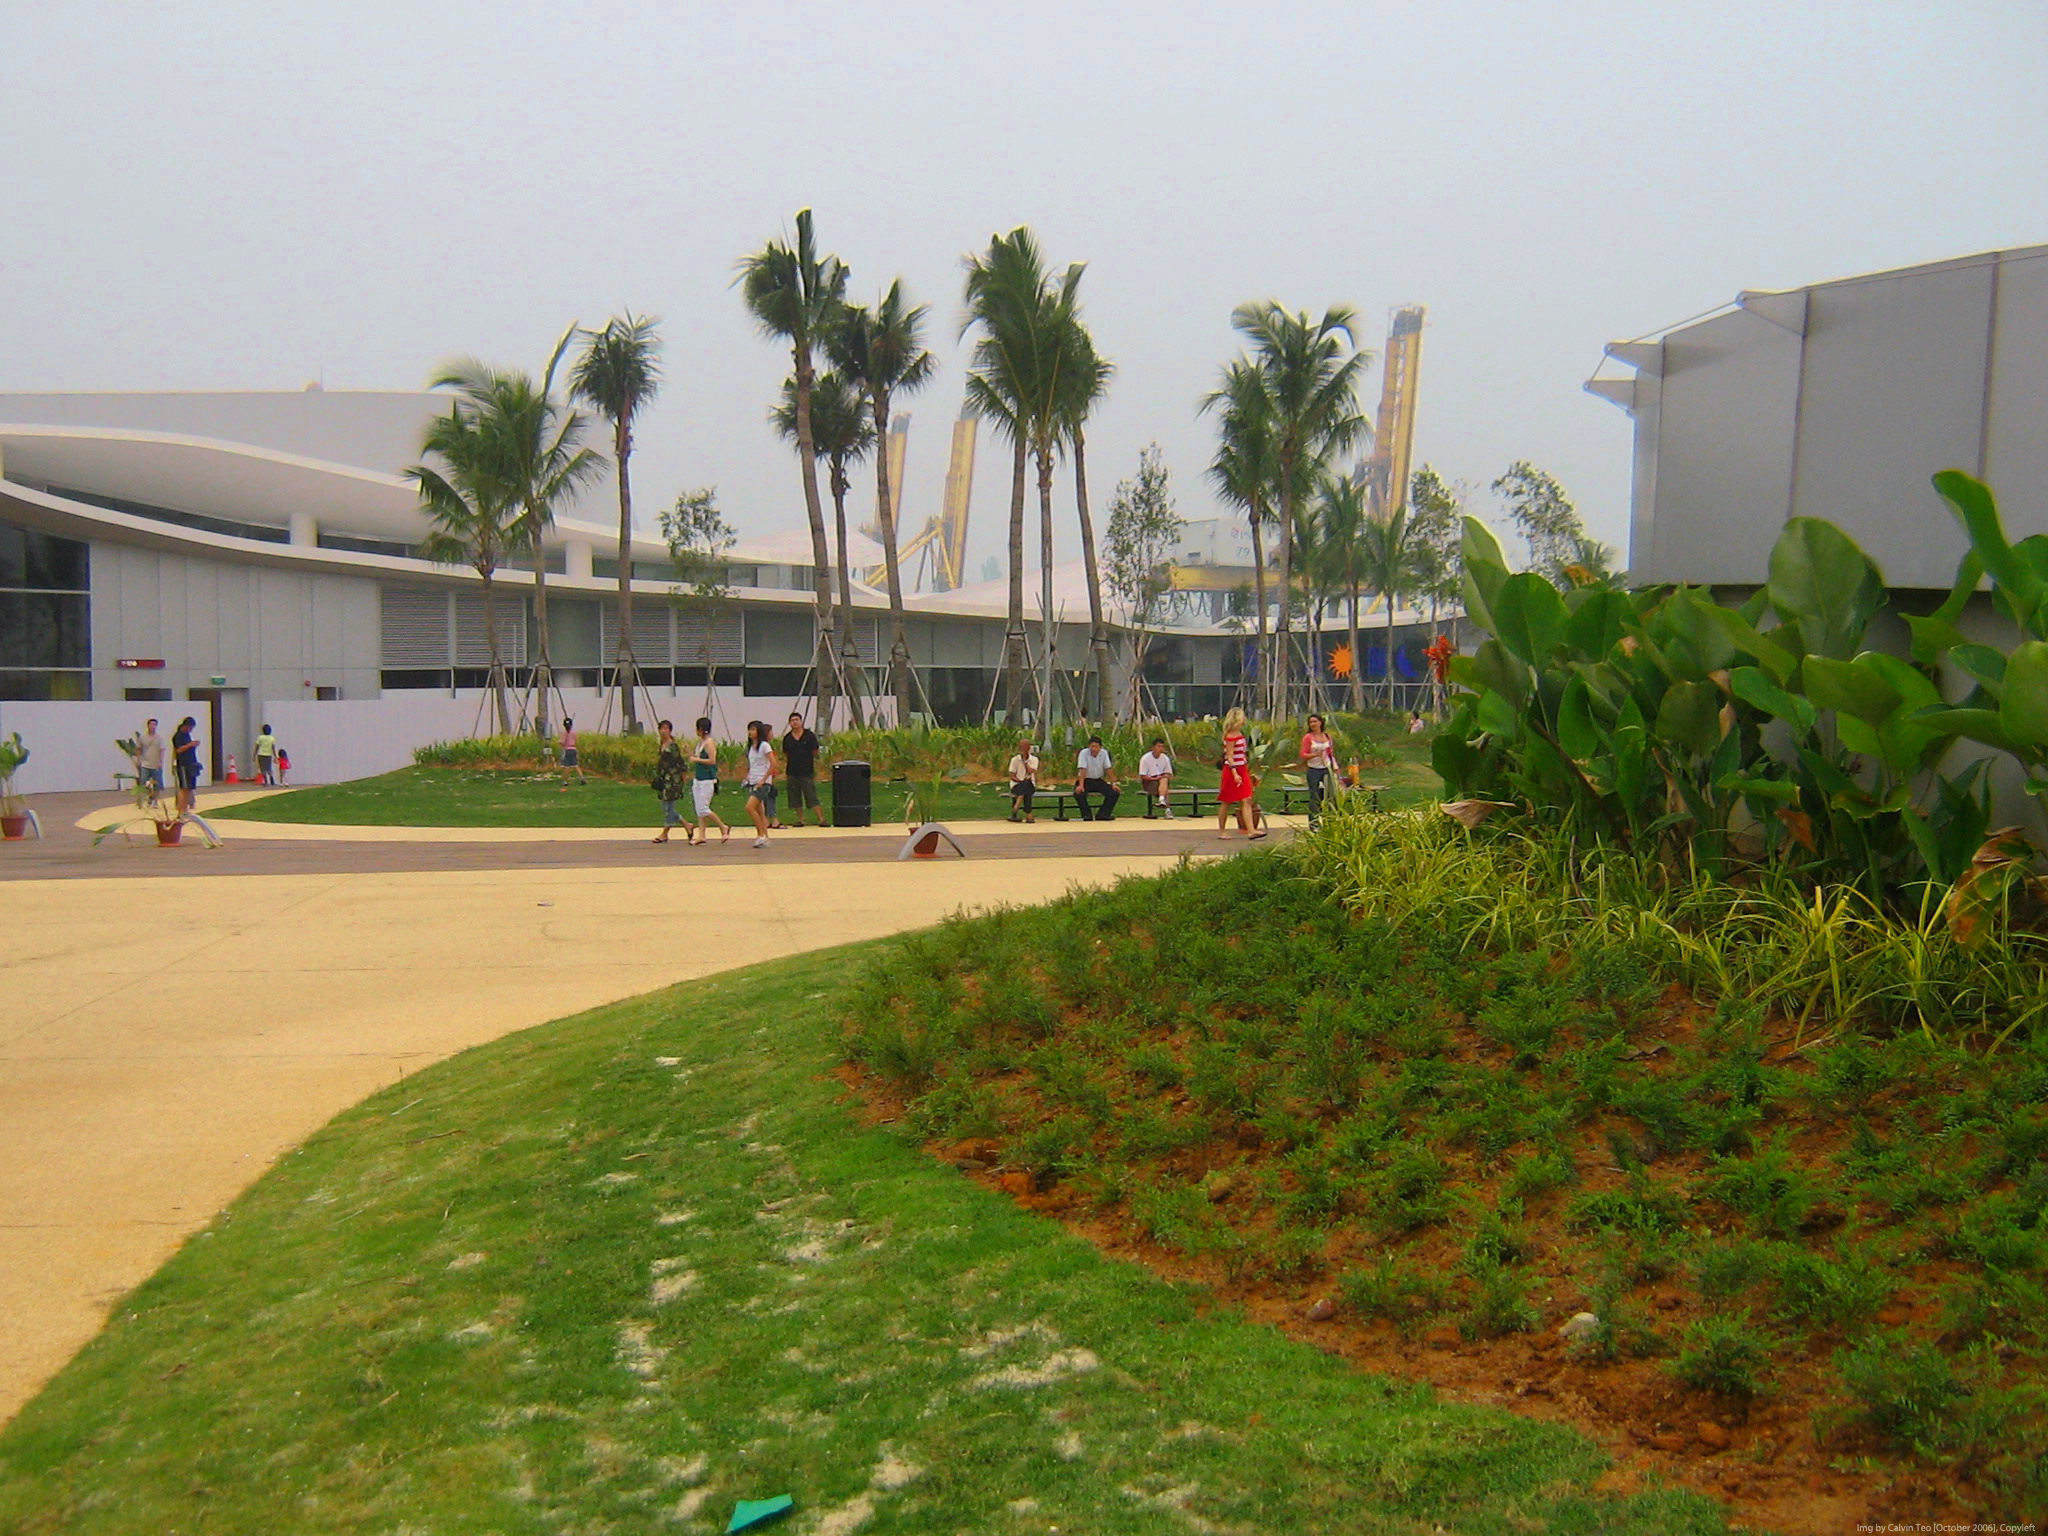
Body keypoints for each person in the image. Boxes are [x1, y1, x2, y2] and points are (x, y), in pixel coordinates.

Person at [1217, 707, 1263, 840]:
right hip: (1233, 770)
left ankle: (1251, 830)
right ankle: (1222, 830)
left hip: (1242, 768)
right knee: (1226, 800)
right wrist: (1235, 773)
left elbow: (1242, 754)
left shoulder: (1240, 734)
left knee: (1247, 799)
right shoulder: (1231, 736)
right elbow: (1229, 756)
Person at [780, 712, 826, 827]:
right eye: (792, 720)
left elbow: (815, 751)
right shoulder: (787, 738)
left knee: (811, 796)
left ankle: (821, 819)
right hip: (792, 772)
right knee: (795, 797)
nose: (795, 722)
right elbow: (786, 753)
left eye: (797, 720)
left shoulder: (809, 736)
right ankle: (800, 819)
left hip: (806, 772)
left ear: (801, 721)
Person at [688, 717, 730, 843]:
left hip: (707, 779)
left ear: (700, 729)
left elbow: (712, 761)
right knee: (699, 809)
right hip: (698, 779)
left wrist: (697, 760)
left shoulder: (709, 743)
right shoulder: (701, 742)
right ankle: (702, 835)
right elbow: (698, 757)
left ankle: (723, 826)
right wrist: (691, 755)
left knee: (703, 808)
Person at [650, 719, 690, 844]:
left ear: (670, 731)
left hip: (673, 779)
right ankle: (687, 825)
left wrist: (683, 778)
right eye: (661, 729)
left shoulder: (673, 746)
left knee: (669, 807)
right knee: (667, 806)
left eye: (666, 729)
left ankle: (664, 834)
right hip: (664, 779)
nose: (663, 731)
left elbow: (680, 763)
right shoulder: (661, 745)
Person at [742, 719, 777, 848]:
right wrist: (747, 777)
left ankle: (761, 834)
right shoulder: (751, 747)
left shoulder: (764, 746)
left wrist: (764, 778)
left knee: (749, 807)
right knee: (759, 810)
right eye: (749, 729)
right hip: (753, 781)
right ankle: (764, 836)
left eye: (753, 729)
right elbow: (753, 765)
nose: (750, 732)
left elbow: (773, 763)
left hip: (763, 783)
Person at [1300, 713, 1337, 827]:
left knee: (1329, 795)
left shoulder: (1327, 736)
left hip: (1326, 768)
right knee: (1315, 796)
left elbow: (1331, 753)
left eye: (1315, 721)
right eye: (1311, 722)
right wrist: (1314, 755)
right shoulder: (1308, 737)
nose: (1313, 724)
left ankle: (1330, 821)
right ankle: (1314, 823)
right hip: (1314, 770)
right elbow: (1303, 754)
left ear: (1321, 722)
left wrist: (1335, 767)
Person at [1074, 735, 1121, 822]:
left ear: (1100, 747)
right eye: (1092, 746)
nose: (1094, 749)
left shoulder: (1104, 753)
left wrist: (1113, 784)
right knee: (1079, 794)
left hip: (1098, 780)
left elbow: (1108, 768)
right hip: (1086, 780)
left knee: (1114, 793)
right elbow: (1083, 769)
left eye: (1096, 747)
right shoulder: (1084, 753)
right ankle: (1087, 815)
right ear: (1089, 746)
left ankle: (1103, 814)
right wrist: (1081, 785)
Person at [170, 716, 202, 817]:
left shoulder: (187, 735)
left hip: (191, 763)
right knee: (183, 788)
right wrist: (190, 745)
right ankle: (181, 810)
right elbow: (178, 750)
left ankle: (186, 808)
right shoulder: (178, 736)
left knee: (189, 787)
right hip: (183, 764)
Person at [1138, 738, 1175, 817]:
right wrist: (1154, 778)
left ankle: (1162, 800)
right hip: (1150, 782)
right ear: (1153, 747)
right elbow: (1142, 775)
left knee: (1164, 780)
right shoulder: (1145, 758)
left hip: (1161, 780)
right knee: (1165, 788)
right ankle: (1167, 809)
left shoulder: (1165, 758)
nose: (1161, 749)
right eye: (1158, 746)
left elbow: (1169, 773)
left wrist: (1164, 776)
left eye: (1162, 747)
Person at [1007, 739, 1039, 823]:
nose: (1022, 749)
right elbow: (1012, 776)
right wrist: (1020, 781)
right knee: (1026, 788)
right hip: (1016, 784)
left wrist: (1025, 761)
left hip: (1030, 784)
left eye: (1024, 747)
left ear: (1028, 748)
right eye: (1021, 747)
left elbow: (1030, 771)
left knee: (1027, 784)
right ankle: (1029, 815)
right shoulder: (1014, 760)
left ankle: (1017, 805)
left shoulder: (1034, 759)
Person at [136, 718, 165, 802]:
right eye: (151, 724)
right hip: (145, 763)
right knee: (144, 782)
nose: (153, 726)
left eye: (155, 725)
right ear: (148, 726)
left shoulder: (159, 738)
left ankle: (155, 799)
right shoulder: (142, 737)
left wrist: (160, 761)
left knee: (157, 783)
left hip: (156, 763)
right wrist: (139, 759)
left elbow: (162, 750)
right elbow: (138, 748)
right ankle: (148, 797)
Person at [558, 716, 584, 788]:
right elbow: (576, 741)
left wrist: (559, 742)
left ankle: (565, 781)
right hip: (574, 749)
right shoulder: (573, 733)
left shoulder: (564, 733)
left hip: (567, 750)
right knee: (575, 765)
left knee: (566, 766)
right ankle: (582, 778)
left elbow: (562, 742)